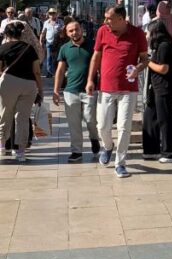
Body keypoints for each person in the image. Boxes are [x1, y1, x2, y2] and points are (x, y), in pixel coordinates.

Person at [86, 4, 148, 178]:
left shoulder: (137, 34)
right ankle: (108, 146)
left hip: (128, 89)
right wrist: (90, 79)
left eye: (109, 18)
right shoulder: (102, 32)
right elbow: (96, 56)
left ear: (121, 19)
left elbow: (145, 59)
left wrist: (138, 68)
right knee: (102, 126)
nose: (106, 21)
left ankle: (120, 163)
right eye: (105, 18)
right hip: (106, 87)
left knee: (124, 126)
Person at [53, 18, 100, 163]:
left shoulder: (92, 45)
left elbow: (100, 66)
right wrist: (56, 91)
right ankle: (76, 151)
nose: (74, 32)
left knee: (91, 120)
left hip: (90, 91)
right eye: (71, 31)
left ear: (81, 29)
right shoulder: (65, 49)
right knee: (74, 123)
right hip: (70, 91)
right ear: (67, 33)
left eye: (76, 29)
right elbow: (60, 71)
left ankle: (94, 138)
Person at [0, 22, 43, 163]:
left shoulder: (3, 48)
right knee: (23, 118)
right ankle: (20, 151)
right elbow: (36, 71)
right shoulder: (29, 49)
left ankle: (2, 145)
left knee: (5, 113)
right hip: (28, 84)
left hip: (8, 83)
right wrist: (40, 90)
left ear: (6, 34)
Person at [142, 19, 172, 162]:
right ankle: (151, 150)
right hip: (156, 87)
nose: (146, 35)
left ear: (154, 32)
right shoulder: (158, 47)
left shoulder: (164, 46)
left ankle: (171, 153)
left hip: (165, 87)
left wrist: (148, 62)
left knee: (165, 119)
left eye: (148, 32)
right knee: (149, 117)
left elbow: (164, 69)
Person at [40, 9, 63, 77]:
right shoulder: (46, 22)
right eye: (50, 13)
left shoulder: (60, 22)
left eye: (53, 13)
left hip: (58, 42)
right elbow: (43, 32)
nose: (52, 15)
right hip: (49, 42)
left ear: (56, 14)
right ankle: (49, 72)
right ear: (48, 15)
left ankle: (57, 72)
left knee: (57, 57)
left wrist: (60, 31)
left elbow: (63, 31)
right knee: (49, 57)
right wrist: (41, 41)